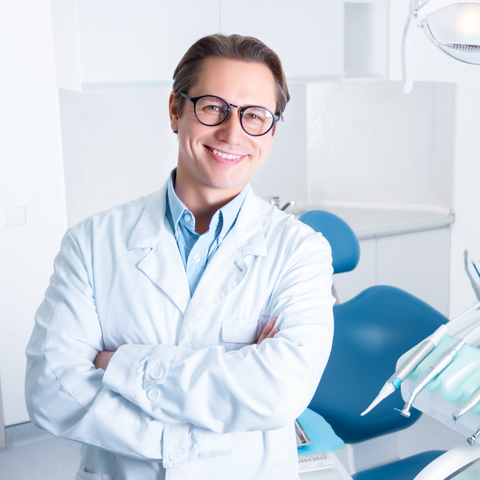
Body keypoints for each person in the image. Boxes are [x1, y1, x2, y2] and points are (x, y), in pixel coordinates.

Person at [25, 34, 334, 480]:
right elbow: (51, 390)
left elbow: (281, 391)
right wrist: (208, 429)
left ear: (272, 129)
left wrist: (122, 364)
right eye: (213, 107)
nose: (232, 133)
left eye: (255, 116)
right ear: (176, 110)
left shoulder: (301, 250)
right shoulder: (91, 243)